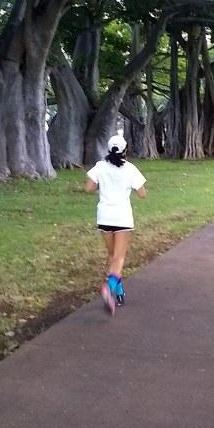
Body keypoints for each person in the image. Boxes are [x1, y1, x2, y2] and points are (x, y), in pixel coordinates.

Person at [85, 134, 147, 315]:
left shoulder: (100, 167)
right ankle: (109, 287)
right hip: (122, 217)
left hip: (104, 216)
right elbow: (142, 194)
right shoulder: (130, 169)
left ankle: (119, 293)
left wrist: (103, 185)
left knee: (112, 255)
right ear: (125, 150)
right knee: (119, 258)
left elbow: (88, 188)